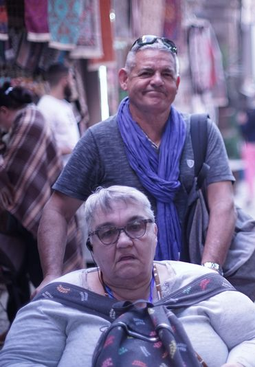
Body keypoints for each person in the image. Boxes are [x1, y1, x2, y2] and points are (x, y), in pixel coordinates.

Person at [36, 35, 236, 295]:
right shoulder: (99, 139)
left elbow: (223, 204)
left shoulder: (201, 132)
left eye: (166, 74)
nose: (156, 80)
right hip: (119, 290)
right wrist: (51, 275)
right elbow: (57, 210)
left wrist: (208, 272)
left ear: (176, 84)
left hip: (187, 280)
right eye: (146, 72)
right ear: (124, 79)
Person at [0, 185, 255, 366]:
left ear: (154, 234)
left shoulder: (200, 285)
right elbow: (19, 360)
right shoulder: (58, 302)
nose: (123, 242)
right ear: (91, 248)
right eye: (108, 232)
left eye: (136, 226)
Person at [0, 84, 82, 324]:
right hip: (36, 211)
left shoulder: (28, 121)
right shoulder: (27, 119)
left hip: (43, 213)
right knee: (24, 272)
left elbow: (15, 169)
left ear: (4, 111)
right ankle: (27, 325)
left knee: (42, 271)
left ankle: (53, 324)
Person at [37, 63, 81, 165]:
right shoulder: (45, 107)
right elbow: (42, 146)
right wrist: (73, 149)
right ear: (64, 81)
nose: (73, 83)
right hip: (58, 173)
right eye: (72, 79)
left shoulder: (65, 105)